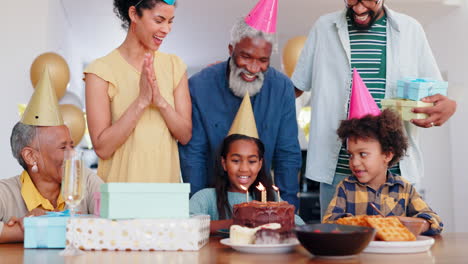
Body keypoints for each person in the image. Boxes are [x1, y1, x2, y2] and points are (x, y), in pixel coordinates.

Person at [291, 0, 457, 217]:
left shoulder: (410, 30)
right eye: (352, 0)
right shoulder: (323, 28)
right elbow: (295, 88)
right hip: (338, 174)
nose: (358, 9)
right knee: (339, 246)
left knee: (396, 245)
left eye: (368, 1)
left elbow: (436, 96)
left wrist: (449, 106)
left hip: (395, 173)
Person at [179, 1, 301, 208]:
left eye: (263, 60)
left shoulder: (282, 88)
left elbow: (287, 154)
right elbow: (194, 156)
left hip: (264, 201)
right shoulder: (199, 86)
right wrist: (199, 211)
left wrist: (288, 208)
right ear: (231, 49)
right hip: (211, 198)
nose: (253, 68)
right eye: (246, 56)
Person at [84, 0, 191, 182]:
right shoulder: (100, 71)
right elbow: (102, 148)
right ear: (134, 14)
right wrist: (141, 101)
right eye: (159, 20)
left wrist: (160, 102)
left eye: (170, 21)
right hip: (119, 195)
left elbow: (185, 135)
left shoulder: (175, 66)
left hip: (165, 194)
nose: (166, 29)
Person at [0, 70, 102, 243]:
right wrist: (24, 230)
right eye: (63, 147)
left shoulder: (84, 180)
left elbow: (113, 222)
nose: (73, 154)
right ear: (31, 157)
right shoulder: (6, 192)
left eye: (72, 145)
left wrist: (39, 228)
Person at [322, 109, 443, 235]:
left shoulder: (404, 188)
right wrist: (361, 222)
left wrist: (407, 222)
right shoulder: (346, 188)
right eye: (351, 155)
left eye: (363, 154)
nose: (355, 162)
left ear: (387, 155)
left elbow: (436, 222)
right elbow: (329, 223)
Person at [189, 134, 305, 233]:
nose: (244, 169)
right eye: (235, 161)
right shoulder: (206, 197)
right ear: (224, 163)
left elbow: (300, 224)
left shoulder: (270, 198)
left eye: (252, 161)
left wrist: (277, 219)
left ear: (260, 164)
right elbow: (187, 225)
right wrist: (238, 222)